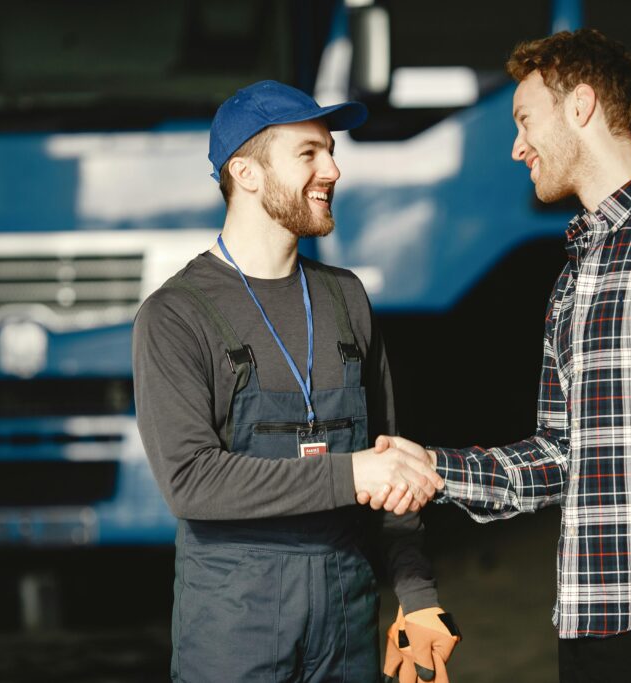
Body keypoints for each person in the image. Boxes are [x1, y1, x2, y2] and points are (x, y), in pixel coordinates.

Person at [368, 29, 631, 683]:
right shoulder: (575, 275)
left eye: (525, 120)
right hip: (586, 619)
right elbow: (560, 454)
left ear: (581, 105)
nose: (516, 146)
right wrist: (436, 469)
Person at [133, 80, 456, 683]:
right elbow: (190, 482)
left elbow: (388, 462)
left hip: (347, 616)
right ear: (246, 173)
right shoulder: (176, 315)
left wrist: (416, 593)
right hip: (235, 625)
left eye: (330, 151)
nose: (332, 169)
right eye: (309, 153)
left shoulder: (345, 298)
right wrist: (352, 474)